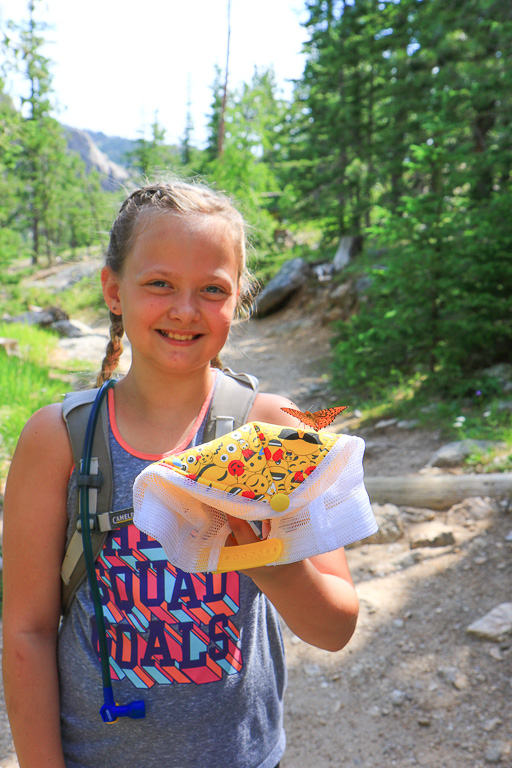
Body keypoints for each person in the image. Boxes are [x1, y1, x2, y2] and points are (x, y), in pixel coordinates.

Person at [2, 180, 360, 768]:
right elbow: (27, 632)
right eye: (159, 284)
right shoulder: (59, 441)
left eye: (212, 289)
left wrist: (273, 563)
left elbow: (335, 627)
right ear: (113, 290)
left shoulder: (275, 430)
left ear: (239, 298)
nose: (185, 309)